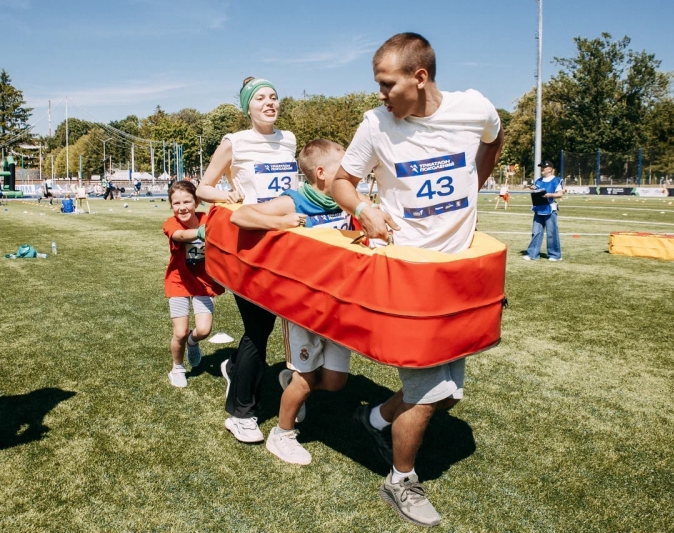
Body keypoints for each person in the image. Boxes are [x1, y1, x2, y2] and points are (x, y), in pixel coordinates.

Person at [331, 33, 503, 527]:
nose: (381, 94)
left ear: (420, 77)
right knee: (429, 392)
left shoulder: (474, 108)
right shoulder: (376, 124)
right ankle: (400, 480)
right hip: (408, 277)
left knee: (447, 391)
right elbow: (342, 180)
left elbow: (494, 138)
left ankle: (372, 419)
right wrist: (363, 208)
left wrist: (474, 185)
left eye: (388, 84)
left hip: (457, 277)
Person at [230, 139, 368, 465]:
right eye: (344, 166)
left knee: (335, 382)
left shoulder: (347, 199)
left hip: (338, 305)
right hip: (303, 309)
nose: (353, 173)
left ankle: (288, 383)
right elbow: (241, 216)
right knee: (305, 381)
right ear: (321, 172)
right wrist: (280, 222)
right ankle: (282, 434)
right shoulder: (294, 200)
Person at [196, 76, 298, 443]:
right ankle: (241, 413)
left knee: (284, 321)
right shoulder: (234, 142)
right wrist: (226, 196)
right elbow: (203, 187)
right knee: (258, 327)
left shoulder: (289, 140)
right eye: (260, 99)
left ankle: (235, 367)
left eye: (273, 97)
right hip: (249, 246)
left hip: (287, 244)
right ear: (247, 108)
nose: (269, 103)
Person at [163, 181, 228, 388]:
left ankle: (192, 342)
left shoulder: (207, 219)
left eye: (187, 202)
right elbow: (181, 236)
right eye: (176, 203)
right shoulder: (171, 223)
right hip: (179, 282)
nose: (182, 207)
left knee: (204, 330)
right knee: (180, 332)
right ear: (171, 206)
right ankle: (177, 368)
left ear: (196, 202)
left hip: (203, 282)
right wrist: (201, 232)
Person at [524, 160, 563, 261]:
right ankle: (532, 254)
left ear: (550, 169)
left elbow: (560, 194)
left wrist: (550, 195)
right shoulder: (538, 181)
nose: (542, 169)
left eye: (544, 167)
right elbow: (538, 192)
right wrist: (533, 189)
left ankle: (555, 255)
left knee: (551, 233)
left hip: (550, 209)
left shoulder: (556, 180)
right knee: (536, 232)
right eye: (541, 167)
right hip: (538, 208)